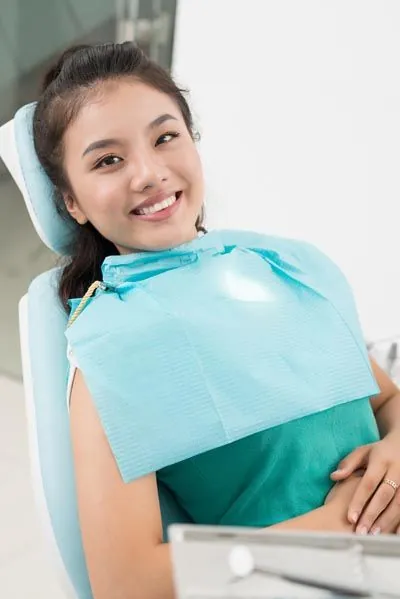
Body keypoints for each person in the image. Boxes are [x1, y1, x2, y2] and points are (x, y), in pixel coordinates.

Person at [32, 42, 400, 599]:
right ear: (73, 203)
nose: (149, 173)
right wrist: (345, 525)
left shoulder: (278, 268)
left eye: (165, 137)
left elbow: (386, 401)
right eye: (109, 160)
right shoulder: (111, 351)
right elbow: (126, 584)